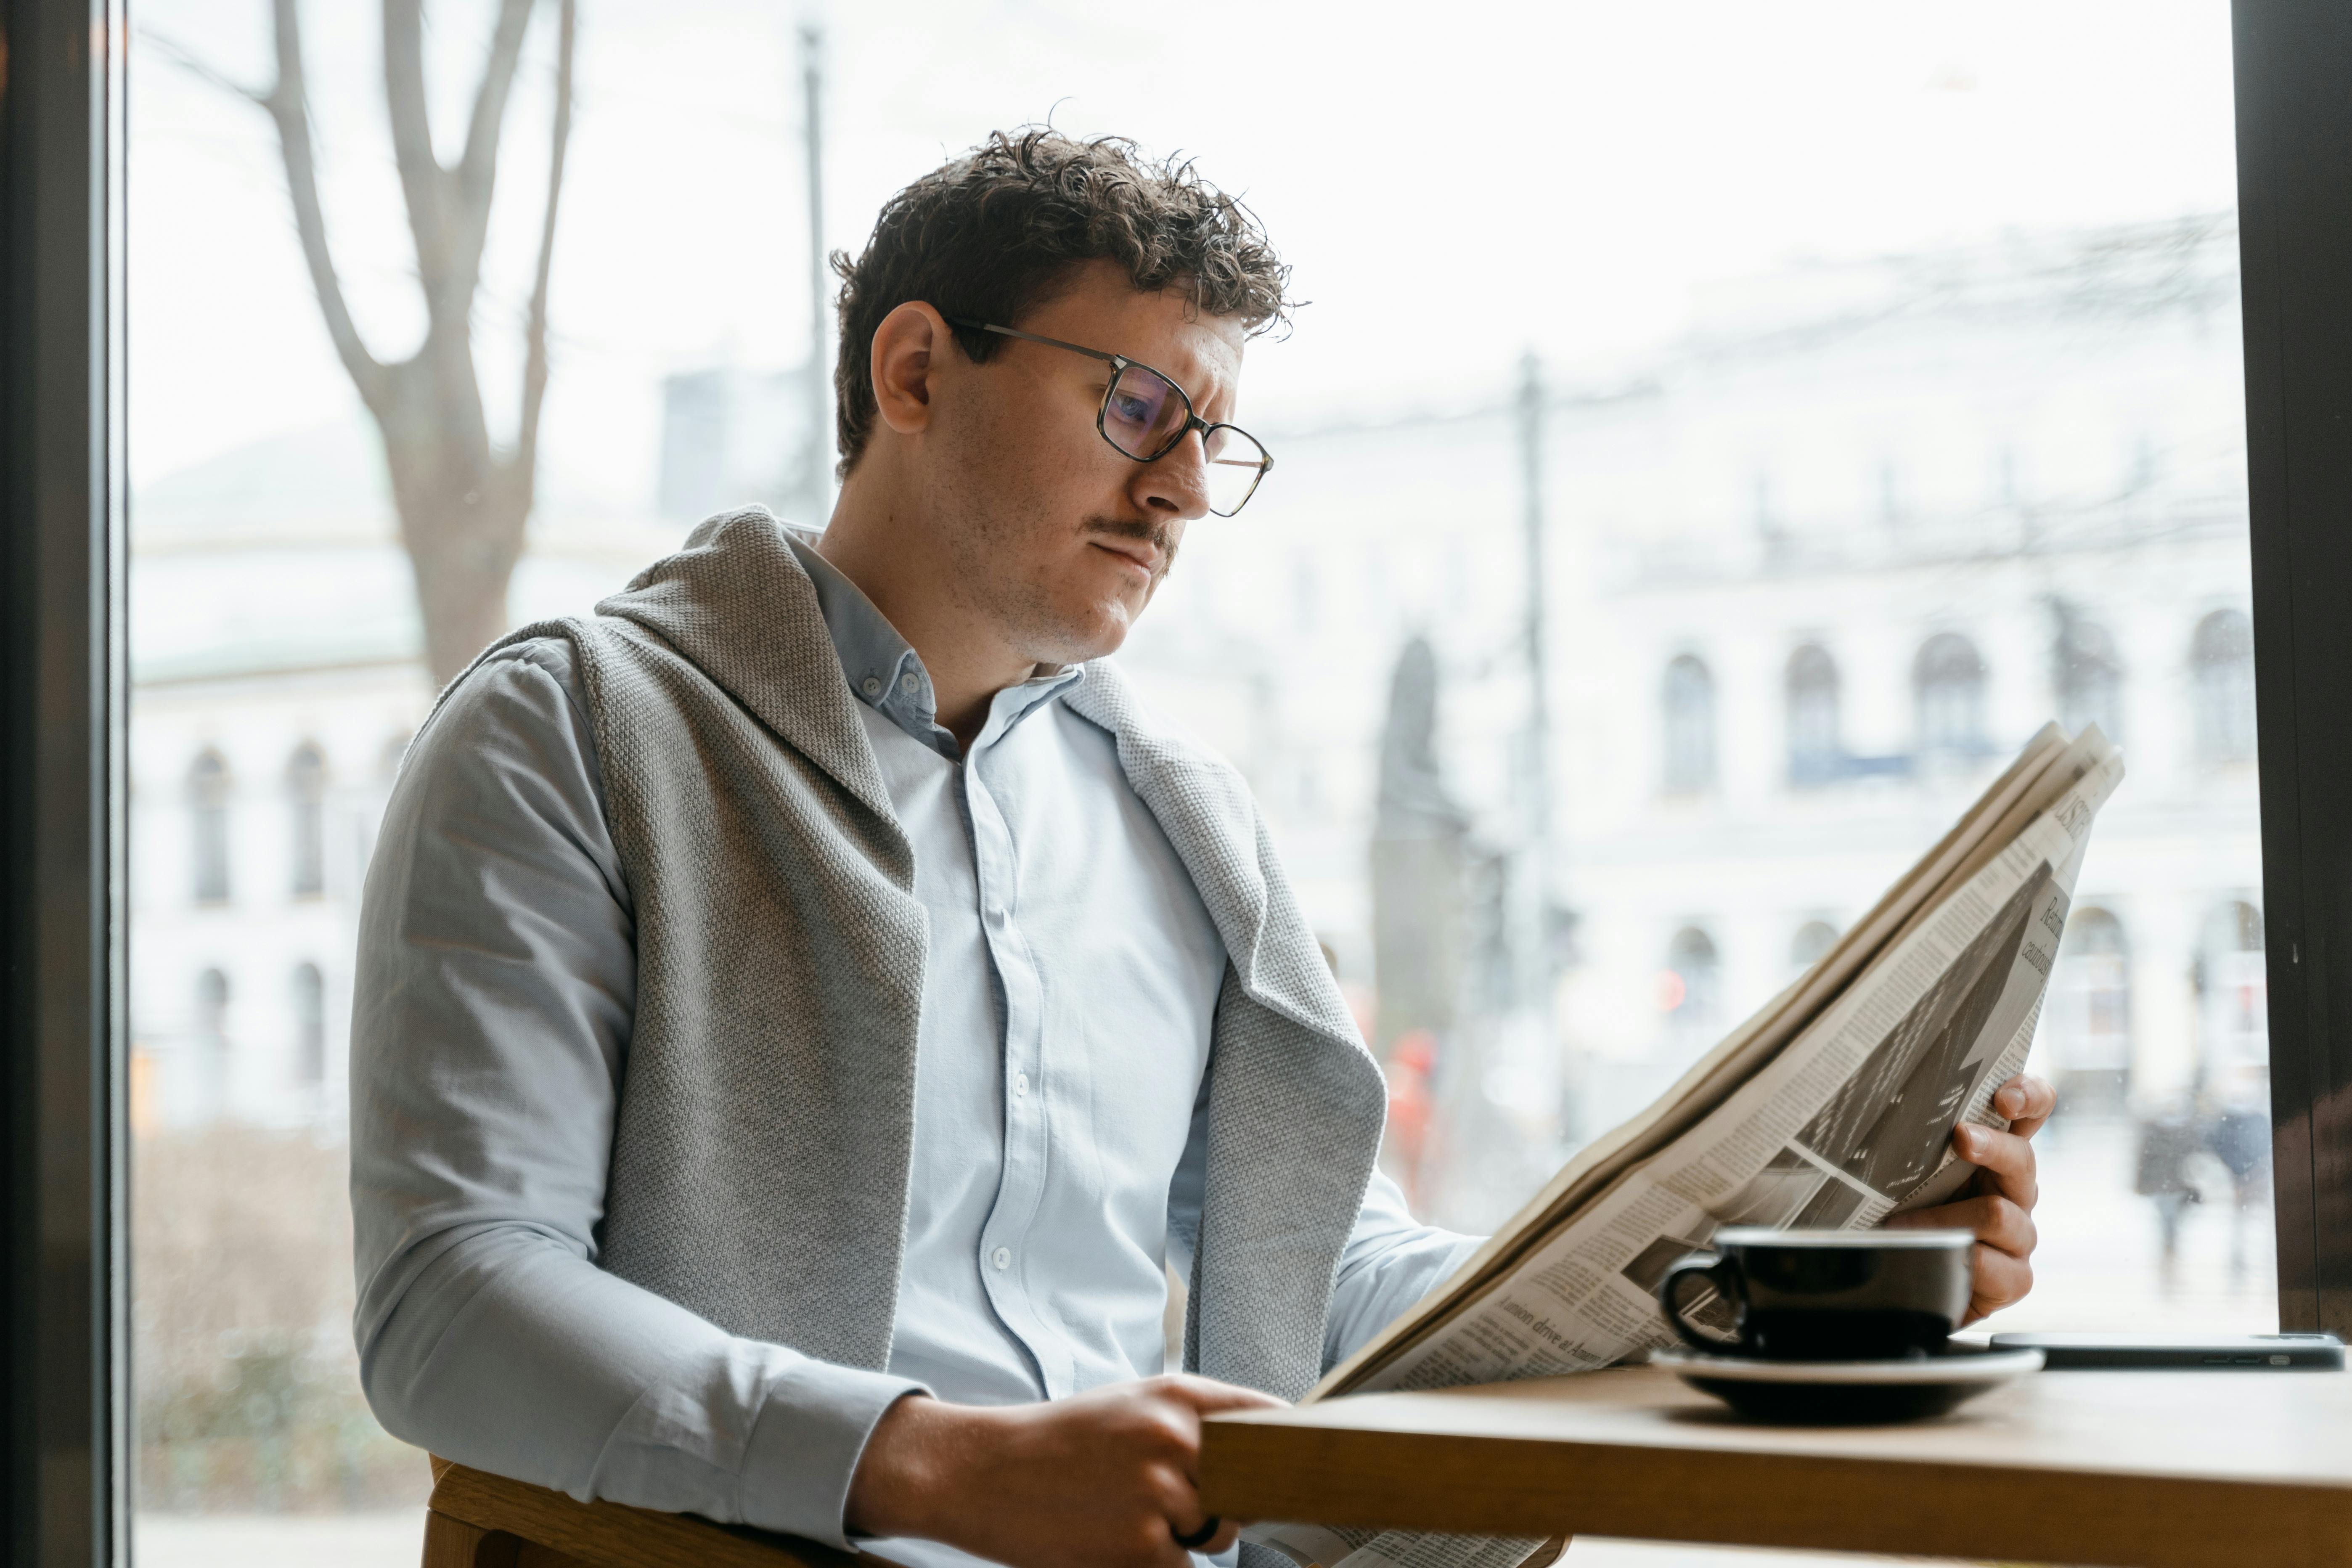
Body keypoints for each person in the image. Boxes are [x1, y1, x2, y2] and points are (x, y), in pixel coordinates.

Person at [349, 130, 2055, 1568]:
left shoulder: (1181, 820)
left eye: (1211, 439)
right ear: (917, 370)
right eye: (1138, 404)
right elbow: (452, 1296)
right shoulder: (574, 732)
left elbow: (1332, 1274)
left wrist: (1781, 1272)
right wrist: (939, 1464)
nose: (1178, 490)